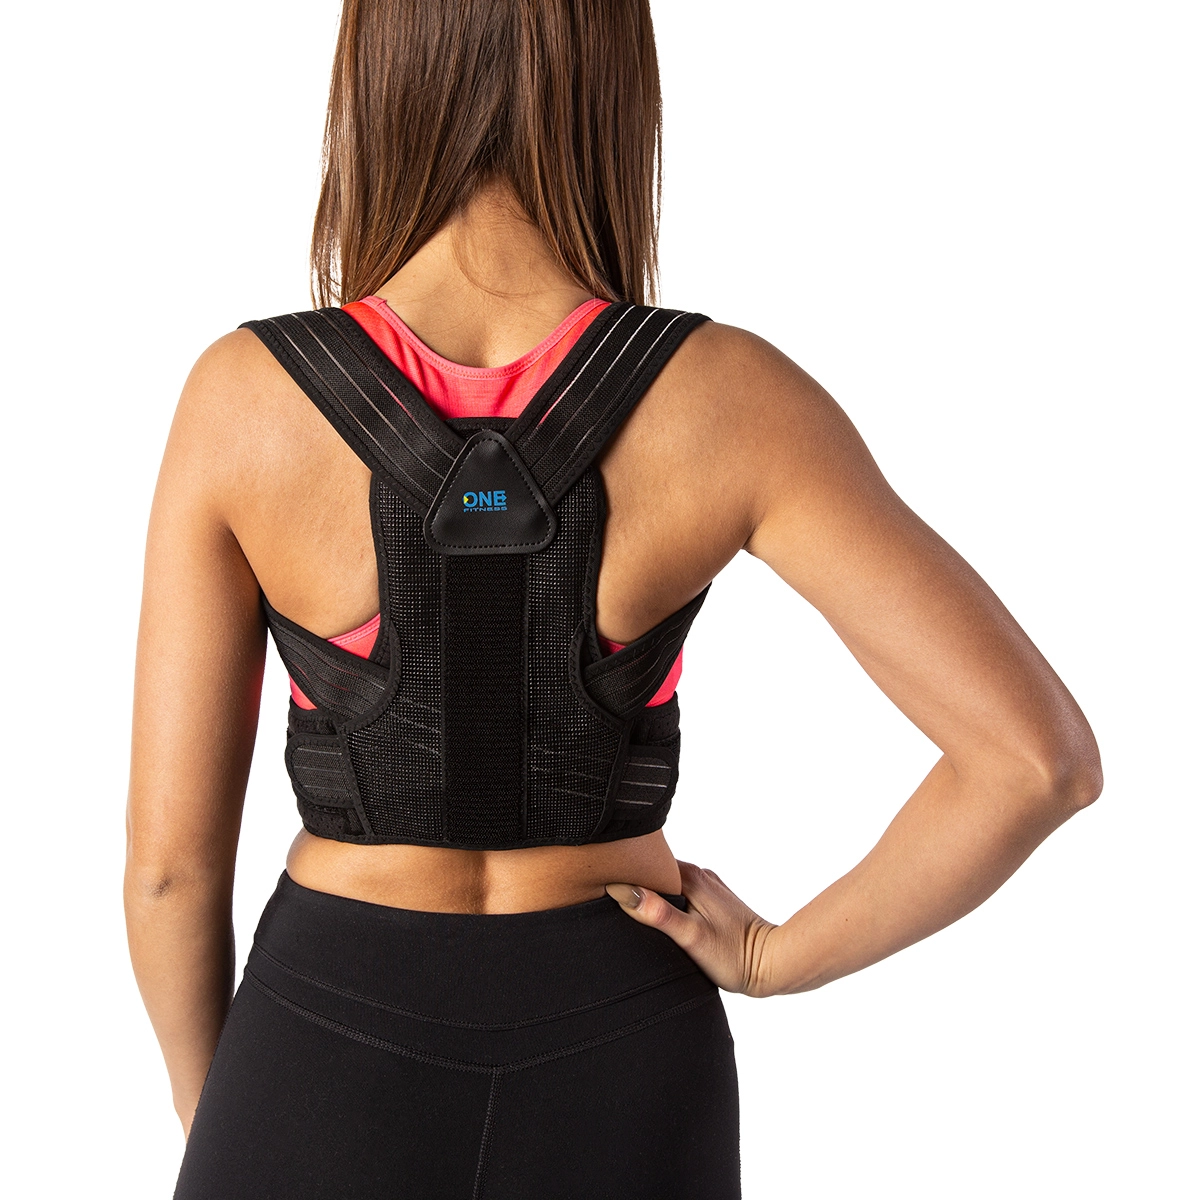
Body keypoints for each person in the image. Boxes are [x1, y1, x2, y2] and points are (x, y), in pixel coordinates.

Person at [125, 2, 1102, 1196]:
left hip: (323, 1039)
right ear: (615, 83)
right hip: (620, 1041)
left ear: (375, 78)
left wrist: (224, 1117)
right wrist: (773, 956)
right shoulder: (730, 397)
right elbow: (1036, 762)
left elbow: (170, 871)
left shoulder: (241, 399)